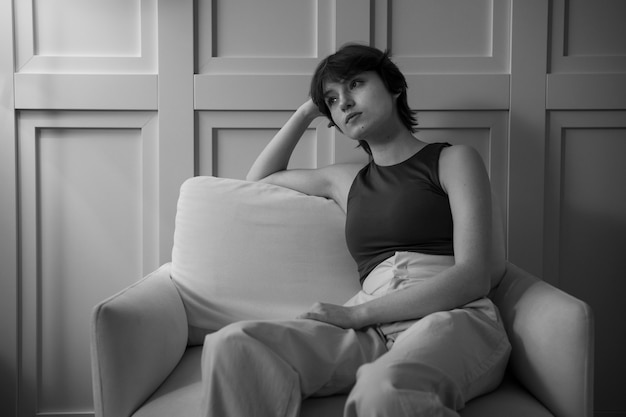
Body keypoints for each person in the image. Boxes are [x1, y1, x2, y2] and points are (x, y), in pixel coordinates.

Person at [200, 44, 511, 417]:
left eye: (356, 84)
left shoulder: (452, 159)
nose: (344, 103)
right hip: (372, 327)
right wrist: (307, 110)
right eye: (333, 99)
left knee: (383, 391)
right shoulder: (346, 181)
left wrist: (358, 316)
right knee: (233, 344)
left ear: (395, 87)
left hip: (453, 316)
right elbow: (259, 180)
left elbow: (475, 276)